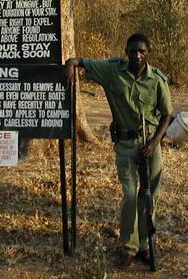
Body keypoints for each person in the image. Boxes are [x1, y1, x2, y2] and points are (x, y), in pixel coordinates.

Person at [64, 32, 175, 268]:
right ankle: (129, 247)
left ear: (148, 54)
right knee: (130, 195)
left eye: (141, 51)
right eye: (132, 50)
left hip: (150, 145)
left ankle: (145, 246)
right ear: (126, 51)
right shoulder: (112, 70)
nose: (137, 55)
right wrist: (70, 66)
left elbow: (167, 115)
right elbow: (79, 61)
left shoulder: (157, 80)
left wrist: (154, 143)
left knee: (149, 195)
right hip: (125, 145)